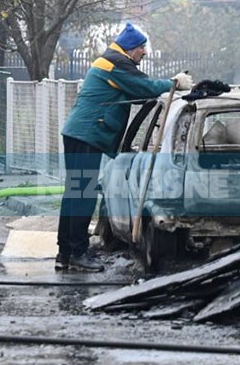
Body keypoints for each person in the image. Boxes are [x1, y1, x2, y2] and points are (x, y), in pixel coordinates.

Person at [55, 22, 193, 272]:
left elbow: (141, 92)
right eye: (142, 48)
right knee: (82, 194)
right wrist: (174, 83)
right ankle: (77, 253)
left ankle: (65, 252)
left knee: (75, 193)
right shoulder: (115, 63)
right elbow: (145, 87)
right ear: (131, 48)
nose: (145, 53)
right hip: (87, 134)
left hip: (78, 132)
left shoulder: (110, 61)